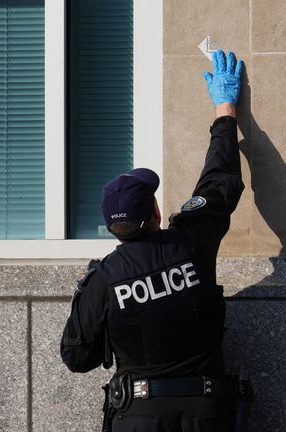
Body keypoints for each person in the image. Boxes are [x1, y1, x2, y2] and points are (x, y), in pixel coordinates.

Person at [60, 49, 245, 432]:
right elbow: (220, 182)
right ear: (156, 213)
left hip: (139, 414)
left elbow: (77, 356)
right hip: (205, 410)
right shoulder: (190, 240)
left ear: (111, 226)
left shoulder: (105, 280)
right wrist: (225, 110)